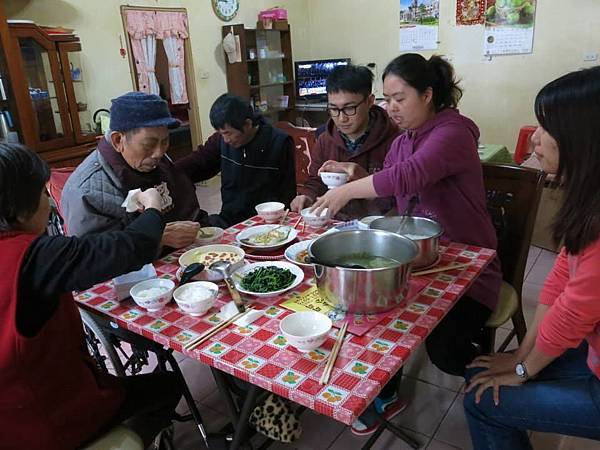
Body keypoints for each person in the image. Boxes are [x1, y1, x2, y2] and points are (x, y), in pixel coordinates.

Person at [311, 53, 502, 377]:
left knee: (443, 349)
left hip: (466, 265)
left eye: (399, 98)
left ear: (427, 95)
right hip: (415, 261)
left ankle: (493, 385)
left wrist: (343, 192)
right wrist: (355, 173)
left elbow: (409, 175)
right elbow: (390, 188)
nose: (391, 108)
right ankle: (379, 386)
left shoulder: (453, 133)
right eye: (388, 100)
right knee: (357, 310)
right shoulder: (402, 143)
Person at [0, 143, 182, 449]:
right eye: (44, 194)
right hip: (47, 421)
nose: (50, 203)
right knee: (167, 383)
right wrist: (153, 208)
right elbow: (129, 247)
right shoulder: (33, 257)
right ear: (17, 207)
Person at [464, 66, 600, 449]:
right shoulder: (587, 200)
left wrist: (523, 369)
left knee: (482, 402)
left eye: (545, 127)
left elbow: (574, 313)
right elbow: (560, 282)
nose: (534, 138)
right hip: (591, 352)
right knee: (484, 373)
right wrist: (521, 356)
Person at [62, 91, 205, 250]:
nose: (159, 153)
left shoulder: (158, 160)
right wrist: (155, 237)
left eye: (165, 142)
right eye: (148, 145)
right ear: (118, 140)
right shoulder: (85, 190)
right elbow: (93, 257)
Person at [290, 64, 399, 220]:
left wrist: (363, 178)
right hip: (334, 222)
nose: (341, 118)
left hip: (378, 226)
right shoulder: (325, 140)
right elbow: (315, 181)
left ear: (369, 101)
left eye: (349, 108)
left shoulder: (395, 140)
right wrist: (306, 197)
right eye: (334, 109)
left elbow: (398, 199)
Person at [175, 94, 296, 227]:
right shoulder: (221, 141)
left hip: (266, 221)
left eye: (228, 133)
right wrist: (166, 172)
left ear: (248, 124)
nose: (225, 139)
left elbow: (287, 193)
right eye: (221, 133)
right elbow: (196, 163)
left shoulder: (279, 142)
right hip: (229, 220)